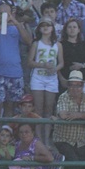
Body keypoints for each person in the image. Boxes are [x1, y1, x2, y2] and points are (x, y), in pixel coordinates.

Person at [0, 1, 33, 138]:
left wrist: (16, 23)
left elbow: (29, 41)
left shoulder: (17, 28)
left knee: (11, 106)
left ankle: (6, 137)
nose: (3, 16)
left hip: (15, 73)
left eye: (7, 13)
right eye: (1, 13)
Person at [27, 16, 64, 144]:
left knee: (49, 109)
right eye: (43, 25)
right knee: (38, 109)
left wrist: (55, 69)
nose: (45, 27)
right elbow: (30, 62)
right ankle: (38, 139)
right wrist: (43, 65)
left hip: (51, 79)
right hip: (38, 78)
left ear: (52, 28)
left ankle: (46, 140)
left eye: (48, 25)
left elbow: (61, 63)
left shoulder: (58, 45)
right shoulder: (36, 44)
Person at [59, 18, 85, 86]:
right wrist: (61, 79)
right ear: (66, 30)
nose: (72, 29)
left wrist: (82, 65)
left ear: (78, 30)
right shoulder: (60, 45)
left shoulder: (84, 45)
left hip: (82, 80)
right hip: (66, 80)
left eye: (74, 27)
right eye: (69, 27)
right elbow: (56, 63)